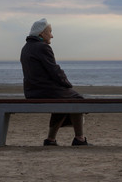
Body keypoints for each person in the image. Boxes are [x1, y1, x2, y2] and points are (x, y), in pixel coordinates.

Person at [20, 18, 89, 146]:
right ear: (41, 33)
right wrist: (67, 84)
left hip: (32, 92)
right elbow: (54, 70)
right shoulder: (43, 47)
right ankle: (79, 138)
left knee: (62, 102)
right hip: (44, 90)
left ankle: (50, 140)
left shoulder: (26, 48)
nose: (52, 35)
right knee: (77, 99)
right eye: (50, 32)